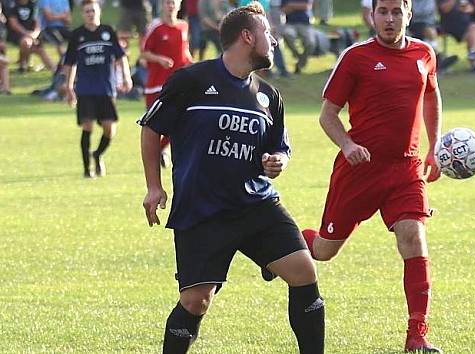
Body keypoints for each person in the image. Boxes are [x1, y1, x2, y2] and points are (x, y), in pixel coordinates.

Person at [138, 2, 325, 353]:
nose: (273, 40)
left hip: (256, 205)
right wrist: (154, 186)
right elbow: (151, 128)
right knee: (196, 302)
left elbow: (280, 147)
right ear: (247, 36)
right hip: (202, 210)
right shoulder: (191, 80)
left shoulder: (269, 96)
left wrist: (277, 161)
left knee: (304, 272)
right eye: (267, 33)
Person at [299, 0, 443, 352]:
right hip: (359, 171)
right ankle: (283, 246)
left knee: (414, 238)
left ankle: (417, 336)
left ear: (409, 14)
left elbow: (431, 95)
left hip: (406, 169)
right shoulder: (355, 57)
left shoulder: (424, 54)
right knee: (323, 250)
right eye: (384, 12)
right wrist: (347, 145)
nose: (390, 19)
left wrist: (434, 146)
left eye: (397, 11)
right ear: (372, 15)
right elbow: (328, 114)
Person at [64, 0, 133, 178]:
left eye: (93, 11)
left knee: (110, 128)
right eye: (87, 11)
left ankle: (98, 154)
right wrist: (69, 87)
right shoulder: (77, 35)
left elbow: (120, 57)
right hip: (85, 89)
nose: (90, 14)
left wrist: (126, 77)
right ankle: (87, 169)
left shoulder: (108, 32)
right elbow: (70, 63)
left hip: (105, 88)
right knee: (87, 127)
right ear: (82, 13)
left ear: (98, 12)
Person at [141, 0, 192, 167]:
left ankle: (158, 152)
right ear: (162, 5)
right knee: (154, 127)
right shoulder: (156, 27)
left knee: (180, 122)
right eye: (167, 3)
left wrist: (194, 66)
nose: (171, 6)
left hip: (177, 86)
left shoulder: (183, 26)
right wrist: (159, 59)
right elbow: (144, 53)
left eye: (174, 3)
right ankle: (156, 154)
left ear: (179, 5)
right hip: (156, 85)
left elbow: (185, 52)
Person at [408, 0, 458, 73]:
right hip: (414, 24)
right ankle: (438, 58)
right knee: (428, 30)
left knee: (430, 29)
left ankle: (436, 59)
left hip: (432, 24)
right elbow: (416, 13)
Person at [6, 0, 55, 72]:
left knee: (39, 50)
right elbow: (14, 24)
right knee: (25, 42)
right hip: (17, 34)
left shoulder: (33, 6)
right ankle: (23, 64)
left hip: (32, 35)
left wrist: (34, 34)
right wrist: (27, 34)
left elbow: (38, 24)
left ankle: (55, 70)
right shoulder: (12, 6)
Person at [437, 0, 475, 72]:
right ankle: (473, 59)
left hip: (466, 23)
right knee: (474, 30)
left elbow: (470, 8)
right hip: (450, 24)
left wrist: (466, 9)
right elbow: (444, 9)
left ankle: (473, 58)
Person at [281, 0, 314, 73]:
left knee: (311, 43)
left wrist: (291, 5)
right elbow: (284, 10)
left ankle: (300, 63)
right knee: (287, 34)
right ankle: (299, 57)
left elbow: (306, 6)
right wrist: (298, 6)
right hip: (290, 24)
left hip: (305, 24)